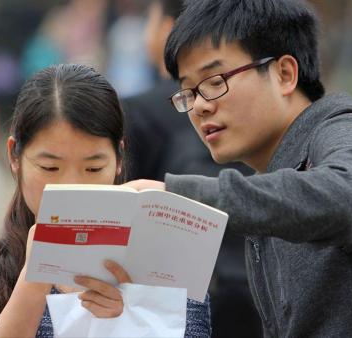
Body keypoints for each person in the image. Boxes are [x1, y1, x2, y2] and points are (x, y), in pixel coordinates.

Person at [123, 0, 352, 337]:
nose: (199, 106)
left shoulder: (350, 136)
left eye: (214, 81)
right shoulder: (274, 181)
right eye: (188, 92)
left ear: (284, 74)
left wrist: (180, 197)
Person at [0, 63, 211, 338]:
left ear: (118, 159)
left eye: (93, 169)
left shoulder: (168, 271)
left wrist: (137, 317)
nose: (72, 188)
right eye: (50, 168)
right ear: (14, 157)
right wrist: (35, 279)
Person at [124, 1, 260, 336]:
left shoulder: (137, 113)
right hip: (258, 292)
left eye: (149, 22)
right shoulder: (246, 108)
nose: (200, 108)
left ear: (168, 31)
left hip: (180, 298)